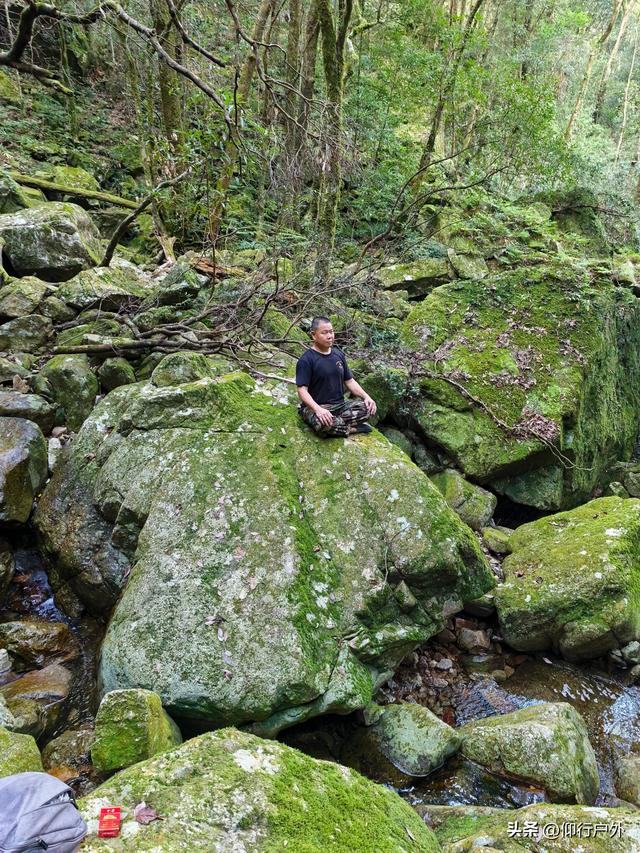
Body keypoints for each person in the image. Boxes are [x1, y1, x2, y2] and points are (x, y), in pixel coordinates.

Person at [296, 316, 377, 437]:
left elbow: (349, 381)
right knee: (321, 423)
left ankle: (334, 426)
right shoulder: (306, 360)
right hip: (317, 407)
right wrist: (318, 409)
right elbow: (302, 390)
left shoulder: (338, 355)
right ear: (314, 335)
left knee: (368, 409)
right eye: (324, 333)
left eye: (331, 331)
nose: (330, 336)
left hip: (340, 405)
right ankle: (350, 429)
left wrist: (366, 397)